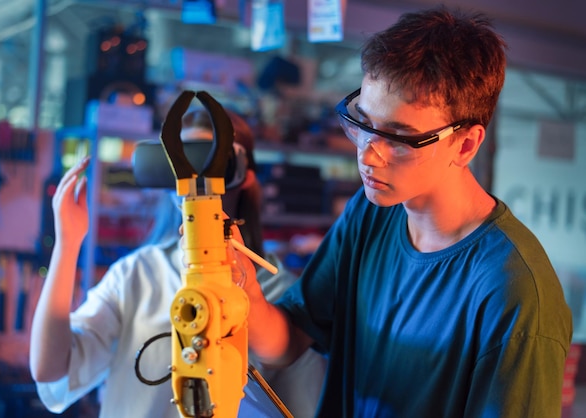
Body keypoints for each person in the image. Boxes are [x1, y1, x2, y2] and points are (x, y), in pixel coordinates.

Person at [243, 6, 573, 418]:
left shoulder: (515, 294)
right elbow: (287, 342)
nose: (368, 155)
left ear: (466, 145)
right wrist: (243, 293)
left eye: (398, 138)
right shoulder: (370, 214)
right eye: (362, 123)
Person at [29, 108, 326, 417]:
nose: (196, 179)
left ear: (243, 176)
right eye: (182, 164)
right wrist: (67, 243)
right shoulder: (136, 275)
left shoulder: (282, 295)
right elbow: (52, 370)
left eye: (211, 163)